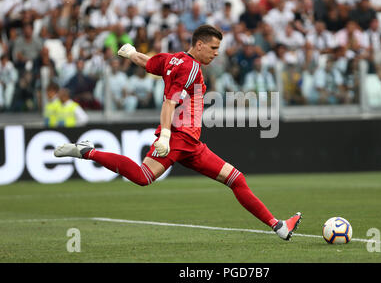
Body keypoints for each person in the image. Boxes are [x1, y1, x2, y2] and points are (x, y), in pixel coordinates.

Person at [54, 25, 301, 241]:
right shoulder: (191, 68)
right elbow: (169, 102)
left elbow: (148, 63)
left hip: (191, 143)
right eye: (213, 48)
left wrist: (131, 53)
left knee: (236, 179)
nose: (216, 53)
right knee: (143, 176)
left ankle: (278, 227)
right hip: (179, 138)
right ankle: (88, 152)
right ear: (200, 45)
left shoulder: (171, 59)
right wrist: (165, 136)